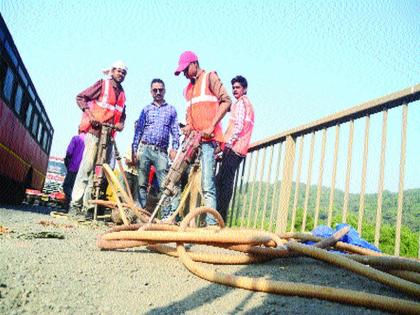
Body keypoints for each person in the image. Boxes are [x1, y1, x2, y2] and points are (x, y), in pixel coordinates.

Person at [174, 51, 232, 224]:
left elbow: (227, 101)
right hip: (193, 140)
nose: (184, 74)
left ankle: (212, 224)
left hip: (208, 140)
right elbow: (192, 115)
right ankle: (173, 216)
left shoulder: (209, 77)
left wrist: (212, 125)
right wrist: (188, 127)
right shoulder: (188, 89)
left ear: (194, 63)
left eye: (185, 69)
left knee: (207, 184)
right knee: (175, 176)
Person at [69, 60, 128, 217]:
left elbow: (122, 114)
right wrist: (90, 115)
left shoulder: (122, 93)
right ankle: (75, 204)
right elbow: (81, 97)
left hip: (108, 136)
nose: (120, 74)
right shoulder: (103, 84)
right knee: (86, 167)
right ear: (112, 71)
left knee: (99, 172)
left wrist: (121, 124)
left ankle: (89, 207)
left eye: (123, 72)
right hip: (95, 132)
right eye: (118, 71)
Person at [131, 78, 180, 211]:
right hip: (145, 149)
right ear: (151, 92)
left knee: (165, 185)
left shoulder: (171, 110)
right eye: (155, 90)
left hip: (161, 152)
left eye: (160, 90)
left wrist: (174, 148)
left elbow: (176, 131)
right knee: (141, 184)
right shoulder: (146, 110)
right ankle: (140, 213)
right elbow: (139, 131)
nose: (158, 92)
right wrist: (134, 150)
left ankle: (166, 216)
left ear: (164, 91)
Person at [216, 75, 255, 222]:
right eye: (233, 87)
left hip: (234, 149)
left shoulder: (240, 104)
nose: (234, 90)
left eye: (237, 87)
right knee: (223, 181)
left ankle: (220, 218)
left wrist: (227, 145)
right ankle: (220, 217)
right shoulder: (247, 104)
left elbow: (238, 127)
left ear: (244, 89)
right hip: (238, 149)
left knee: (223, 183)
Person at [62, 130, 85, 210]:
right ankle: (70, 206)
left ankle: (72, 201)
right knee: (77, 187)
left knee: (66, 186)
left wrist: (67, 163)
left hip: (73, 167)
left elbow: (69, 152)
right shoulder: (90, 140)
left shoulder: (76, 138)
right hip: (83, 169)